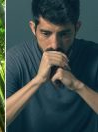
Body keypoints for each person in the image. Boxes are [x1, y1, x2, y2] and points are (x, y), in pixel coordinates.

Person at [6, 0, 98, 132]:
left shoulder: (94, 55)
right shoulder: (15, 59)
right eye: (46, 33)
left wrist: (78, 85)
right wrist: (38, 81)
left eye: (64, 34)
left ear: (77, 28)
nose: (55, 44)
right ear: (33, 28)